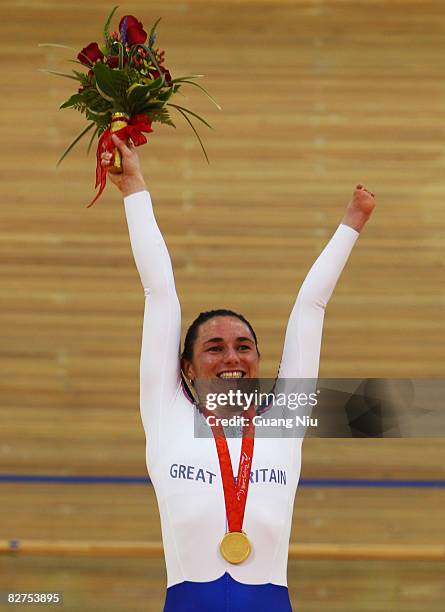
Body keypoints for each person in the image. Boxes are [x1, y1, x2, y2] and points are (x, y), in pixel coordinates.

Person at [101, 134, 376, 612]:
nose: (232, 357)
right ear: (186, 367)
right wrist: (135, 191)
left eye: (244, 346)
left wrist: (351, 224)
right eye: (214, 347)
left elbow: (311, 307)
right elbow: (159, 294)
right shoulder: (165, 414)